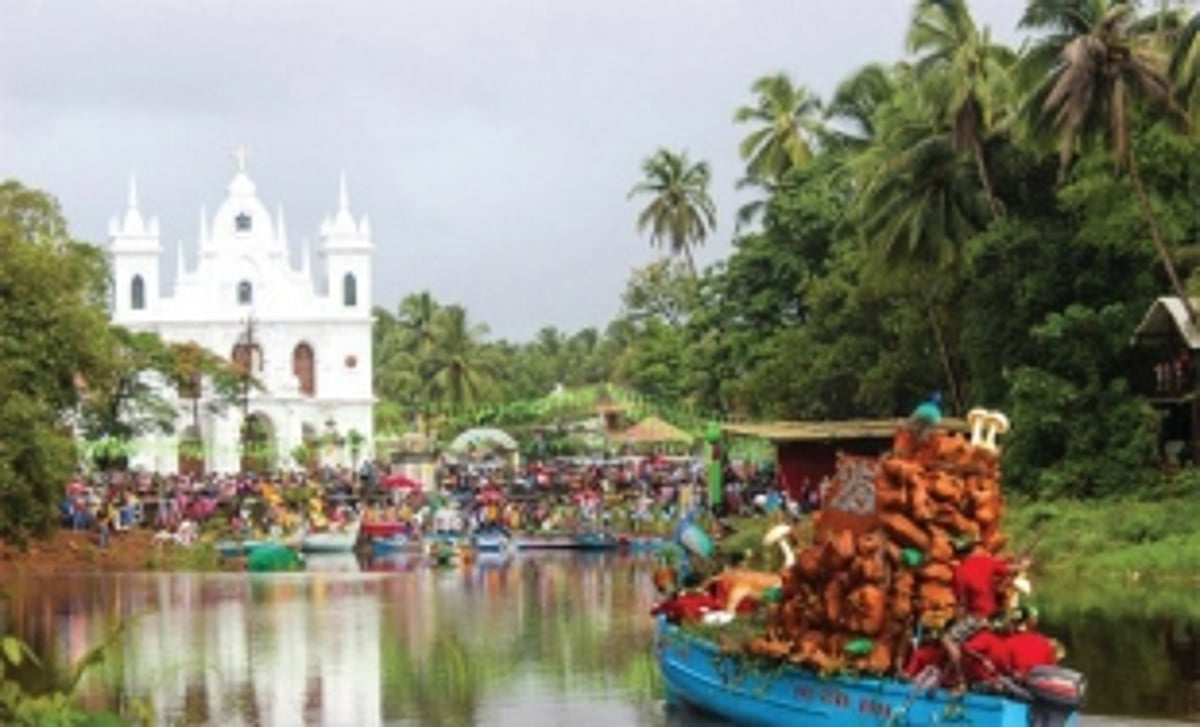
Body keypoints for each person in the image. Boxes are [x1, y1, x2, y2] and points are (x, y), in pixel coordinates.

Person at [941, 536, 1030, 687]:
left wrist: (957, 621)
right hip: (992, 615)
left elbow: (962, 604)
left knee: (948, 639)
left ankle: (960, 677)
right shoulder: (985, 561)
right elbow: (1009, 570)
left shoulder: (960, 572)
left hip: (977, 616)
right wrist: (1024, 565)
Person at [1004, 605, 1060, 677]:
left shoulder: (1008, 643)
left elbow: (1003, 668)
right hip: (1042, 682)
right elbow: (1053, 667)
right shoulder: (1043, 641)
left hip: (1020, 684)